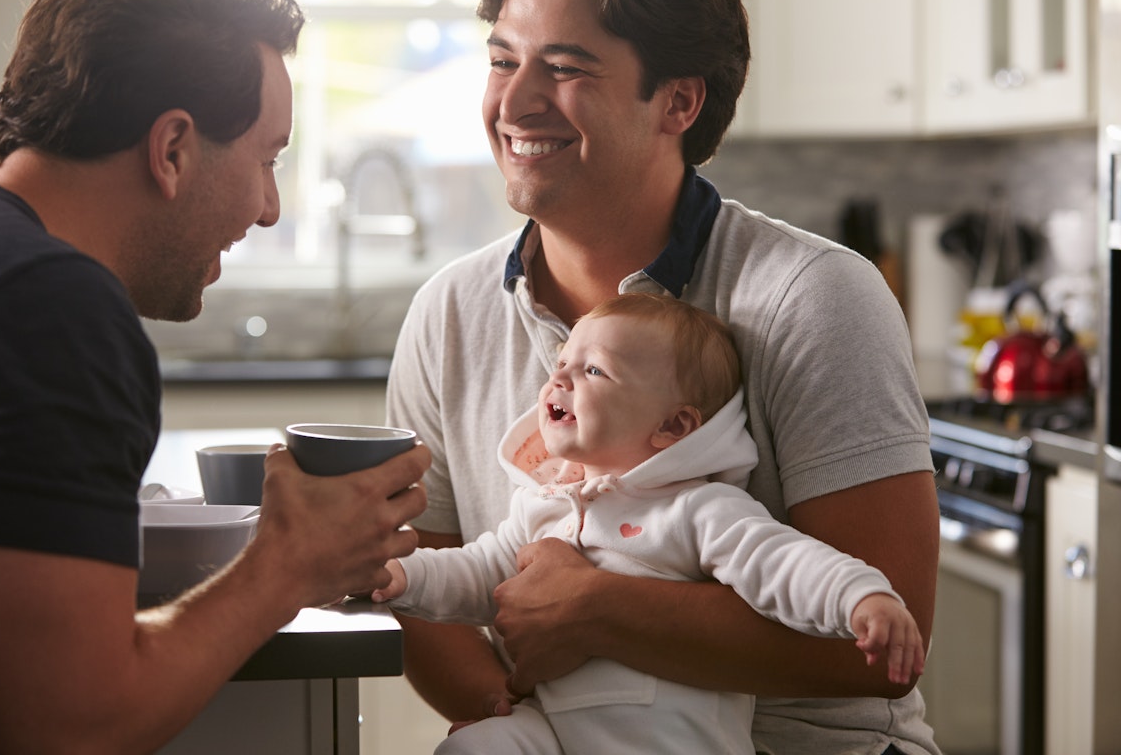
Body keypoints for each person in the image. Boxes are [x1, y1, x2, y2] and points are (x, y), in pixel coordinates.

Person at [384, 0, 941, 753]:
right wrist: (542, 734)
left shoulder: (815, 298)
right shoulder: (448, 315)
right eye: (503, 60)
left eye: (565, 68)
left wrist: (597, 611)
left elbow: (888, 645)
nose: (514, 101)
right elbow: (424, 602)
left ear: (678, 100)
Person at [0, 0, 428, 752]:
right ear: (173, 150)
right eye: (267, 159)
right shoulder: (52, 308)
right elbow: (64, 731)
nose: (269, 209)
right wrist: (287, 566)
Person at [376, 294, 926, 754]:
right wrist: (400, 575)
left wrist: (862, 598)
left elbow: (783, 563)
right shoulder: (542, 506)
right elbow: (479, 573)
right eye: (561, 364)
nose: (561, 378)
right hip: (552, 732)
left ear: (672, 426)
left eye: (593, 371)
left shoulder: (697, 508)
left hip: (673, 740)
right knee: (468, 749)